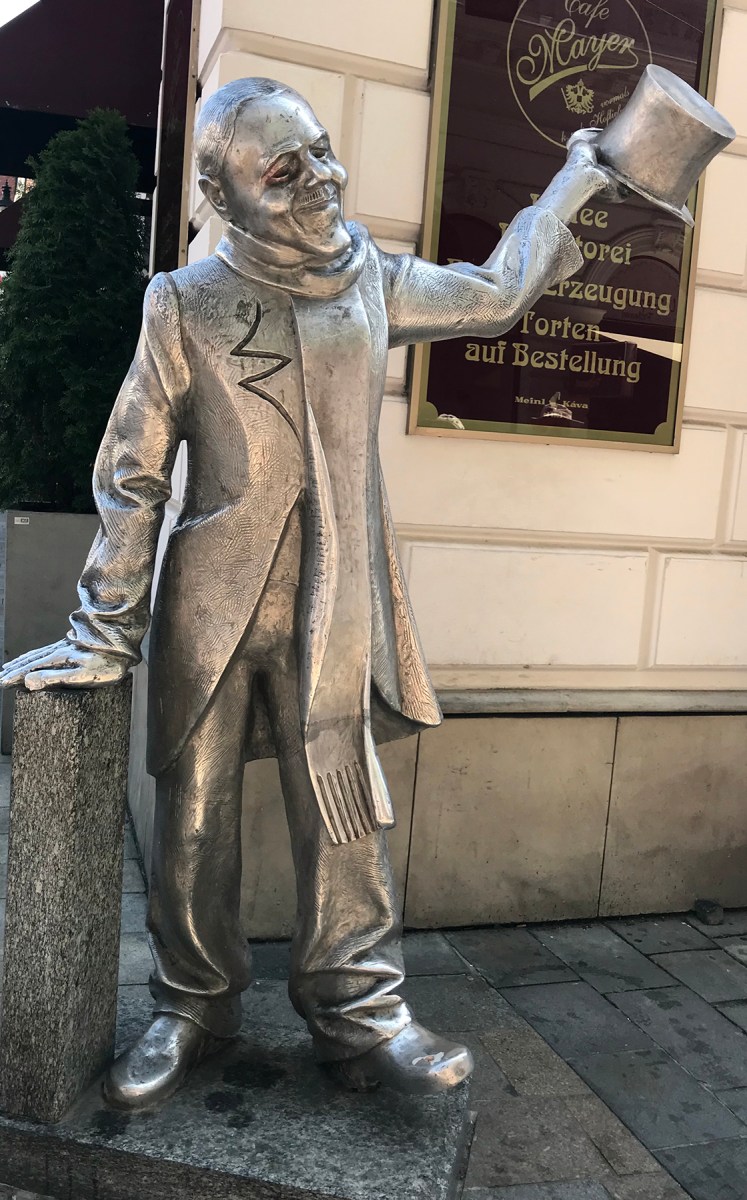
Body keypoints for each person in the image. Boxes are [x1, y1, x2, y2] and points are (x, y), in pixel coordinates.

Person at [0, 78, 622, 1110]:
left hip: (334, 605)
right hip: (212, 607)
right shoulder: (183, 303)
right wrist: (105, 627)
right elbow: (132, 473)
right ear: (224, 196)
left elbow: (495, 292)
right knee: (192, 821)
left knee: (344, 815)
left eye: (322, 153)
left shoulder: (370, 280)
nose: (323, 180)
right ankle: (192, 1005)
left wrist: (576, 181)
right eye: (285, 172)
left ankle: (362, 1013)